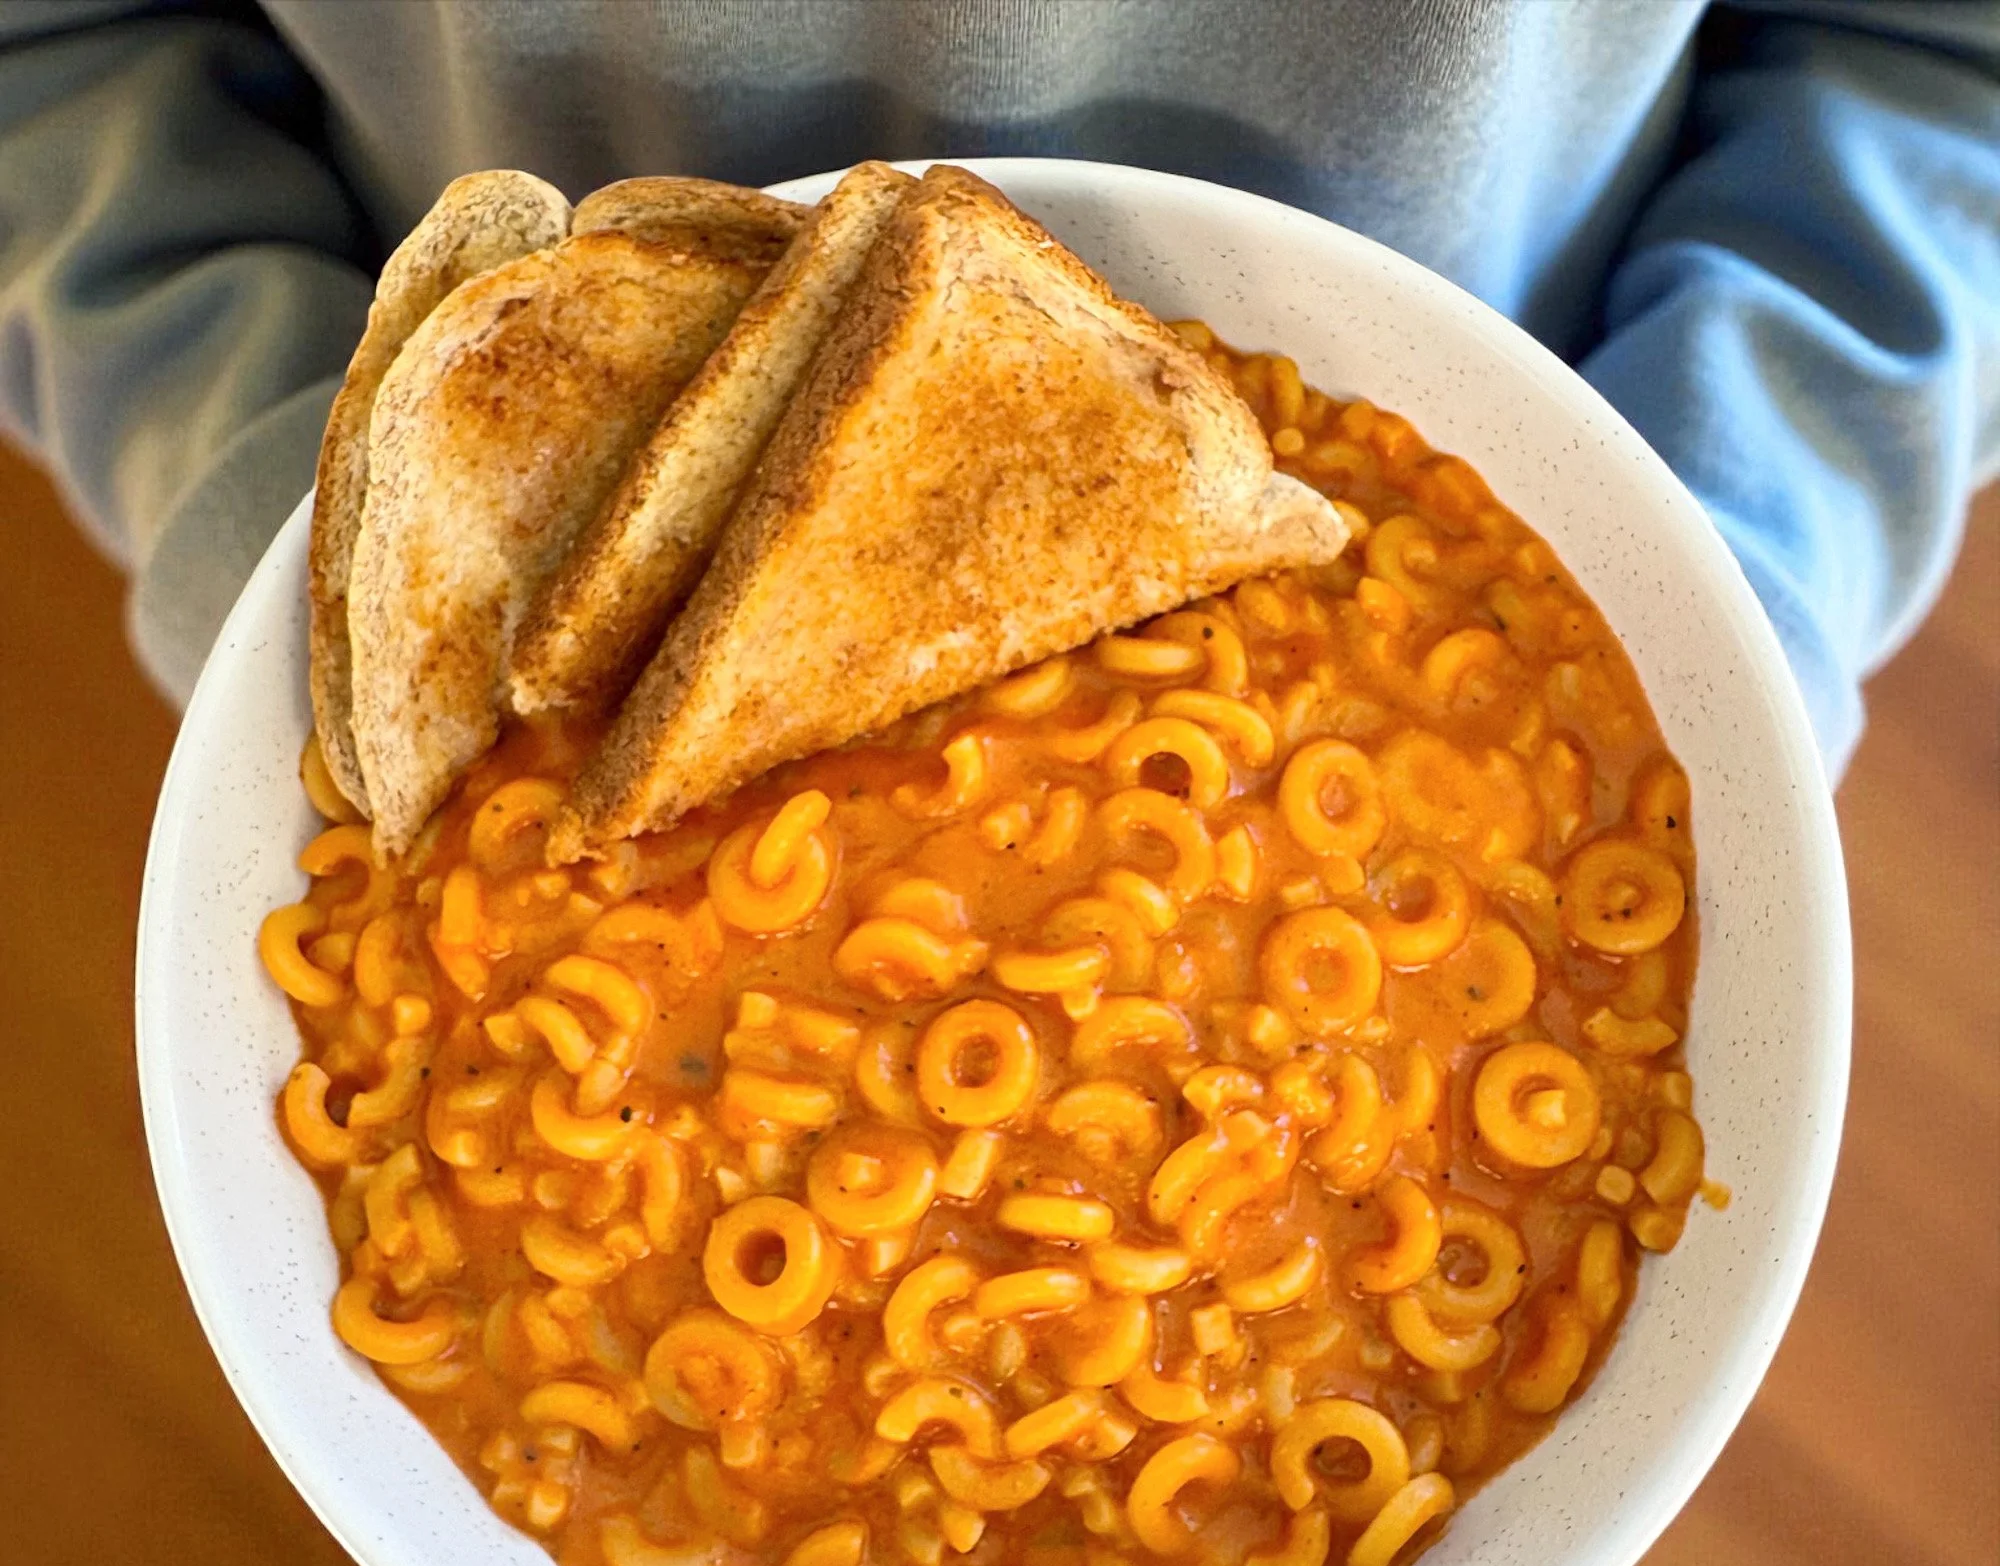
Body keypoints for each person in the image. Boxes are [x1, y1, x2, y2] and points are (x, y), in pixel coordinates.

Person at [0, 0, 1993, 779]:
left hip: (1507, 550)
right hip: (475, 620)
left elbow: (1938, 65)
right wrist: (296, 551)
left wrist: (1723, 577)